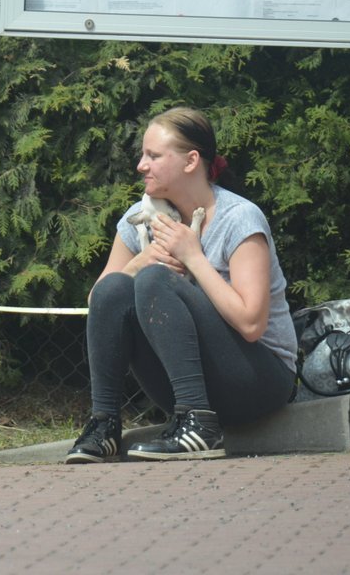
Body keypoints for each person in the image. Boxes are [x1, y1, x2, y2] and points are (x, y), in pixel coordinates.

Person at [65, 106, 297, 463]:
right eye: (143, 155)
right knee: (117, 285)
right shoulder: (138, 219)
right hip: (186, 384)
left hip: (259, 381)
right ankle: (104, 424)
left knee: (157, 281)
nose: (141, 165)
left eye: (154, 156)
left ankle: (199, 425)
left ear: (191, 161)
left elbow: (252, 325)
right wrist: (140, 261)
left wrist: (194, 258)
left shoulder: (240, 219)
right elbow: (100, 301)